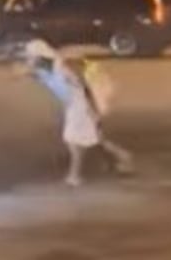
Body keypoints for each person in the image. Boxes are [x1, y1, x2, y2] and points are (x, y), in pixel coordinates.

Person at [21, 39, 133, 187]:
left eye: (31, 56)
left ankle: (74, 175)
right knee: (91, 139)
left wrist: (94, 109)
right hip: (74, 106)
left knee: (74, 141)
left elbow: (84, 87)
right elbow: (27, 72)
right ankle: (122, 157)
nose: (29, 59)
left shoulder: (63, 68)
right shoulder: (43, 69)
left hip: (80, 106)